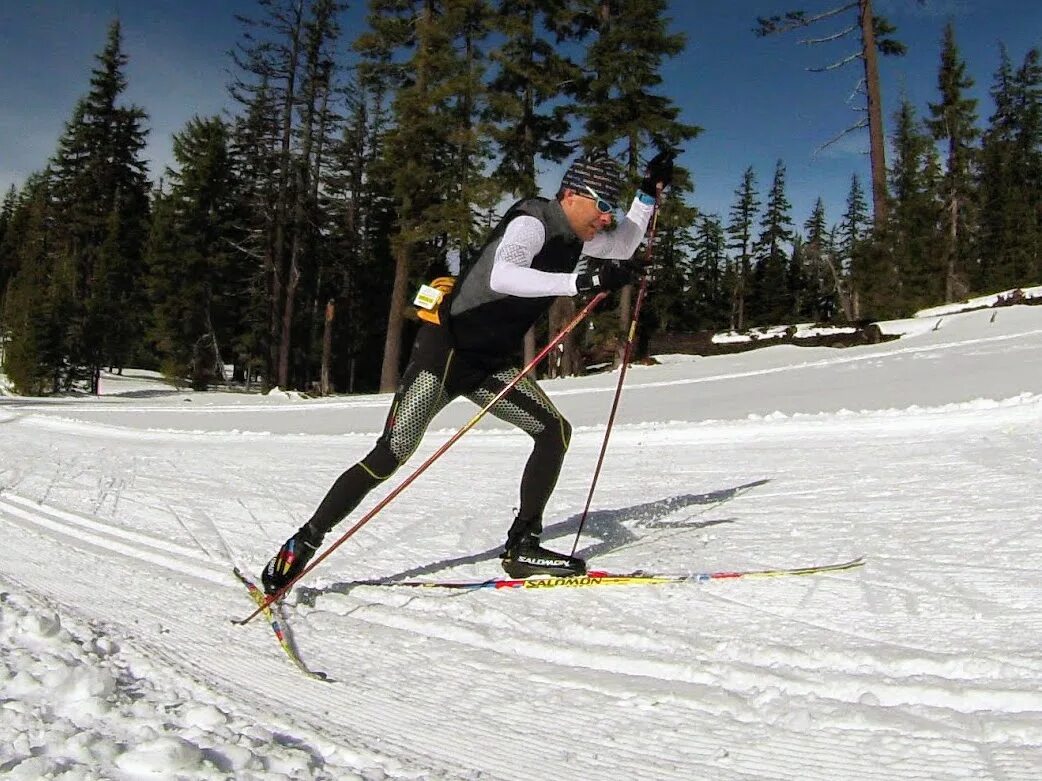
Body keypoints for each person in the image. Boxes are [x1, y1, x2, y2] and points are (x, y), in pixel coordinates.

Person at [261, 150, 675, 595]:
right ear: (572, 195)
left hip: (489, 364)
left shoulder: (580, 237)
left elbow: (626, 243)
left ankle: (522, 545)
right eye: (603, 206)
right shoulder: (532, 221)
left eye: (611, 209)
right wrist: (582, 282)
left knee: (553, 431)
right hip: (446, 352)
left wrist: (645, 196)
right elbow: (505, 275)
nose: (606, 219)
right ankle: (302, 542)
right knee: (392, 452)